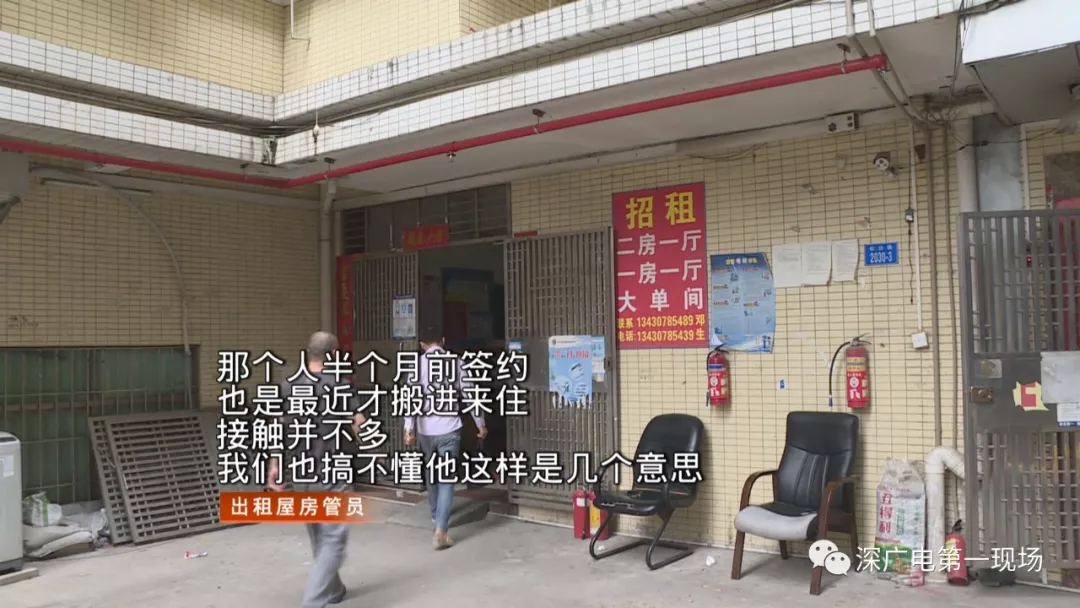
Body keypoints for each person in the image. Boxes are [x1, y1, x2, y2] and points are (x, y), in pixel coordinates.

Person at [267, 331, 366, 608]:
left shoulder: (287, 386)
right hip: (333, 472)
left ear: (309, 352)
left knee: (319, 536)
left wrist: (274, 464)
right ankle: (312, 602)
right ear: (333, 354)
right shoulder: (340, 385)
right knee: (333, 539)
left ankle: (334, 590)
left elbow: (276, 427)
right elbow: (359, 424)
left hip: (302, 473)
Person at [403, 326, 487, 550]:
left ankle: (435, 514)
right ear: (442, 340)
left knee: (431, 472)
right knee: (447, 479)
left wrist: (409, 427)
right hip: (449, 429)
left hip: (425, 430)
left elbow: (411, 397)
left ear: (422, 345)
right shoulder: (456, 362)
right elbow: (470, 394)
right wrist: (480, 424)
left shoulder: (415, 365)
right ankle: (441, 529)